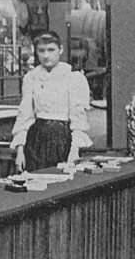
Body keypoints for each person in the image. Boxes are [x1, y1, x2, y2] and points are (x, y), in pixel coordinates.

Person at [11, 30, 92, 172]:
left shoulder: (73, 77)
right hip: (36, 139)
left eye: (51, 50)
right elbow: (25, 116)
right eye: (41, 51)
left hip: (63, 139)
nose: (46, 55)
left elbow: (78, 117)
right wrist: (20, 150)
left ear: (60, 50)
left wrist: (74, 150)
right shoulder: (31, 78)